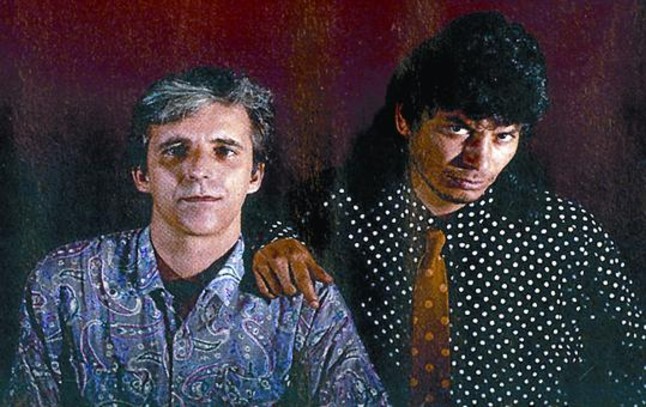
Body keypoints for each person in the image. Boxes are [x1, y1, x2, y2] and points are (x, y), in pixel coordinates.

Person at [252, 12, 644, 406]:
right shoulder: (330, 204)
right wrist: (272, 242)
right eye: (458, 128)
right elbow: (251, 229)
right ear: (405, 119)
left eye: (503, 136)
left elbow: (631, 371)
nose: (479, 160)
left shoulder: (568, 235)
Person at [5, 66, 388, 406]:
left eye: (224, 151)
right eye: (176, 150)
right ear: (142, 174)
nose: (199, 170)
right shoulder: (65, 283)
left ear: (255, 175)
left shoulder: (302, 299)